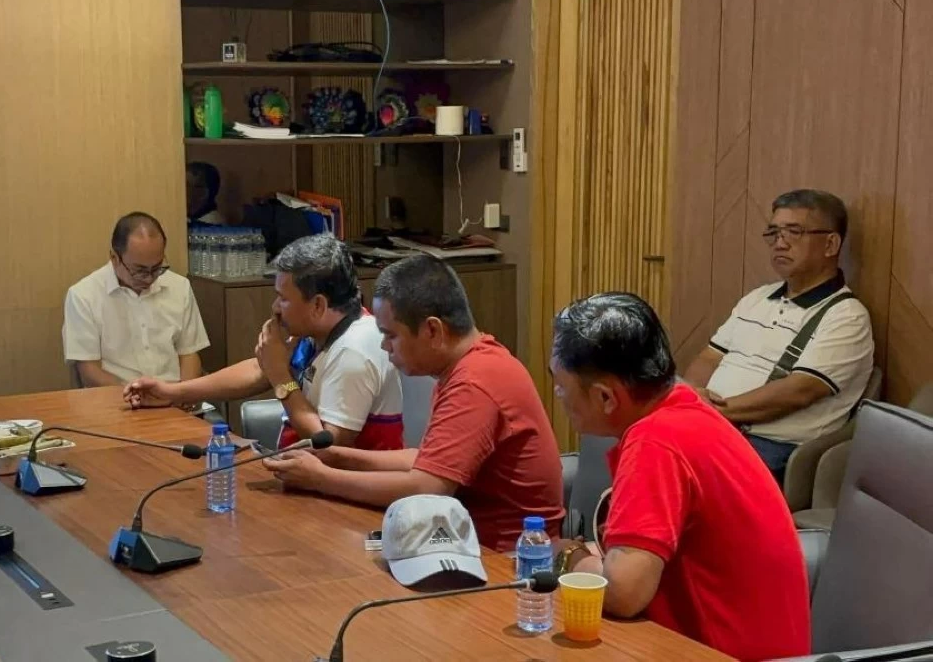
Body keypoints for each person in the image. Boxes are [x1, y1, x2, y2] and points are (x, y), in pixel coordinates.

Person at [549, 292, 810, 661]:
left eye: (561, 384)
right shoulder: (687, 412)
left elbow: (623, 593)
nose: (558, 395)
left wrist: (569, 556)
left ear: (607, 398)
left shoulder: (656, 441)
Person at [261, 255, 563, 551]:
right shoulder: (467, 364)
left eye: (390, 335)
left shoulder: (475, 381)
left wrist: (321, 479)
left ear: (432, 330)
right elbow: (427, 460)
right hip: (461, 539)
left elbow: (428, 489)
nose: (383, 346)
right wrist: (336, 457)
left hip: (510, 556)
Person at [125, 234, 403, 450]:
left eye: (283, 297)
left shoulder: (354, 350)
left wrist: (279, 374)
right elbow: (260, 371)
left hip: (349, 503)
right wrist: (172, 392)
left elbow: (328, 443)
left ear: (318, 305)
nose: (275, 307)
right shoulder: (320, 329)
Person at [683, 189, 874, 483]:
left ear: (831, 244)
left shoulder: (846, 316)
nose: (779, 243)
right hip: (715, 425)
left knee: (675, 473)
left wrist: (712, 411)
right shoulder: (757, 298)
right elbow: (710, 357)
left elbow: (800, 391)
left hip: (772, 448)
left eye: (794, 232)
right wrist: (691, 395)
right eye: (774, 232)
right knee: (636, 441)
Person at [63, 212, 209, 389]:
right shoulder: (83, 296)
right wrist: (137, 396)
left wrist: (183, 394)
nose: (148, 279)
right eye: (139, 270)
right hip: (116, 401)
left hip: (174, 397)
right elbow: (89, 372)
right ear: (114, 258)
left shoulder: (179, 287)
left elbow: (189, 354)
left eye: (156, 268)